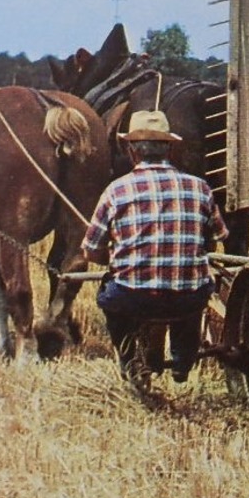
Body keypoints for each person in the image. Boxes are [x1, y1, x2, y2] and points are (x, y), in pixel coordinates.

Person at [82, 109, 228, 386]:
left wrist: (113, 260)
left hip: (133, 297)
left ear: (131, 151)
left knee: (109, 298)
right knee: (194, 292)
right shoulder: (200, 188)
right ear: (170, 149)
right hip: (188, 298)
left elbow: (90, 250)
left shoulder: (117, 190)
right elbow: (220, 235)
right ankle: (183, 360)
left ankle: (130, 363)